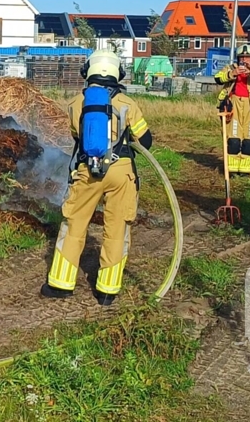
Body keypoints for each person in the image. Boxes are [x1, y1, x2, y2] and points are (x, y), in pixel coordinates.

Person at [41, 49, 152, 306]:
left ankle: (60, 284)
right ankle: (107, 291)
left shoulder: (76, 102)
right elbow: (146, 141)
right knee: (116, 229)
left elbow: (77, 138)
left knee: (74, 225)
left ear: (87, 71)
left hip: (87, 171)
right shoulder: (127, 103)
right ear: (117, 72)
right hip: (121, 171)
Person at [214, 44, 250, 175]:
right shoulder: (230, 68)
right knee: (234, 139)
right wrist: (232, 73)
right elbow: (218, 78)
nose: (244, 60)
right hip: (234, 104)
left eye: (247, 57)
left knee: (249, 139)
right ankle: (231, 169)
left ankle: (245, 170)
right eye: (242, 57)